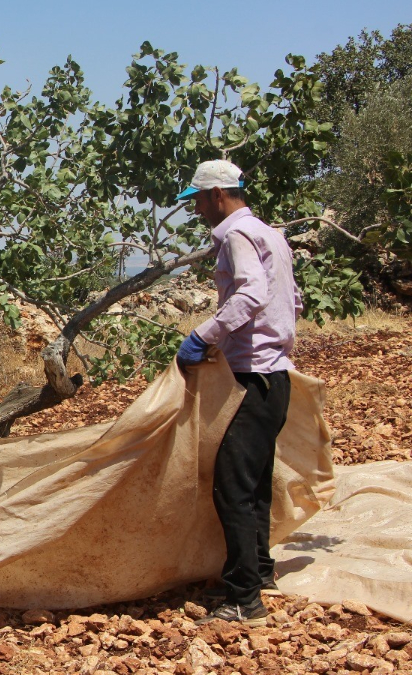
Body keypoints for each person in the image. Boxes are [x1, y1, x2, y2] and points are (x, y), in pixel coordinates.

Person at [174, 160, 302, 627]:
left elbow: (249, 295)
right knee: (254, 482)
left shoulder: (235, 236)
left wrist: (205, 335)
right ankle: (260, 572)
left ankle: (244, 600)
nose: (197, 209)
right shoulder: (271, 234)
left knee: (232, 487)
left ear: (219, 195)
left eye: (199, 200)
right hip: (275, 378)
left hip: (253, 379)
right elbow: (290, 300)